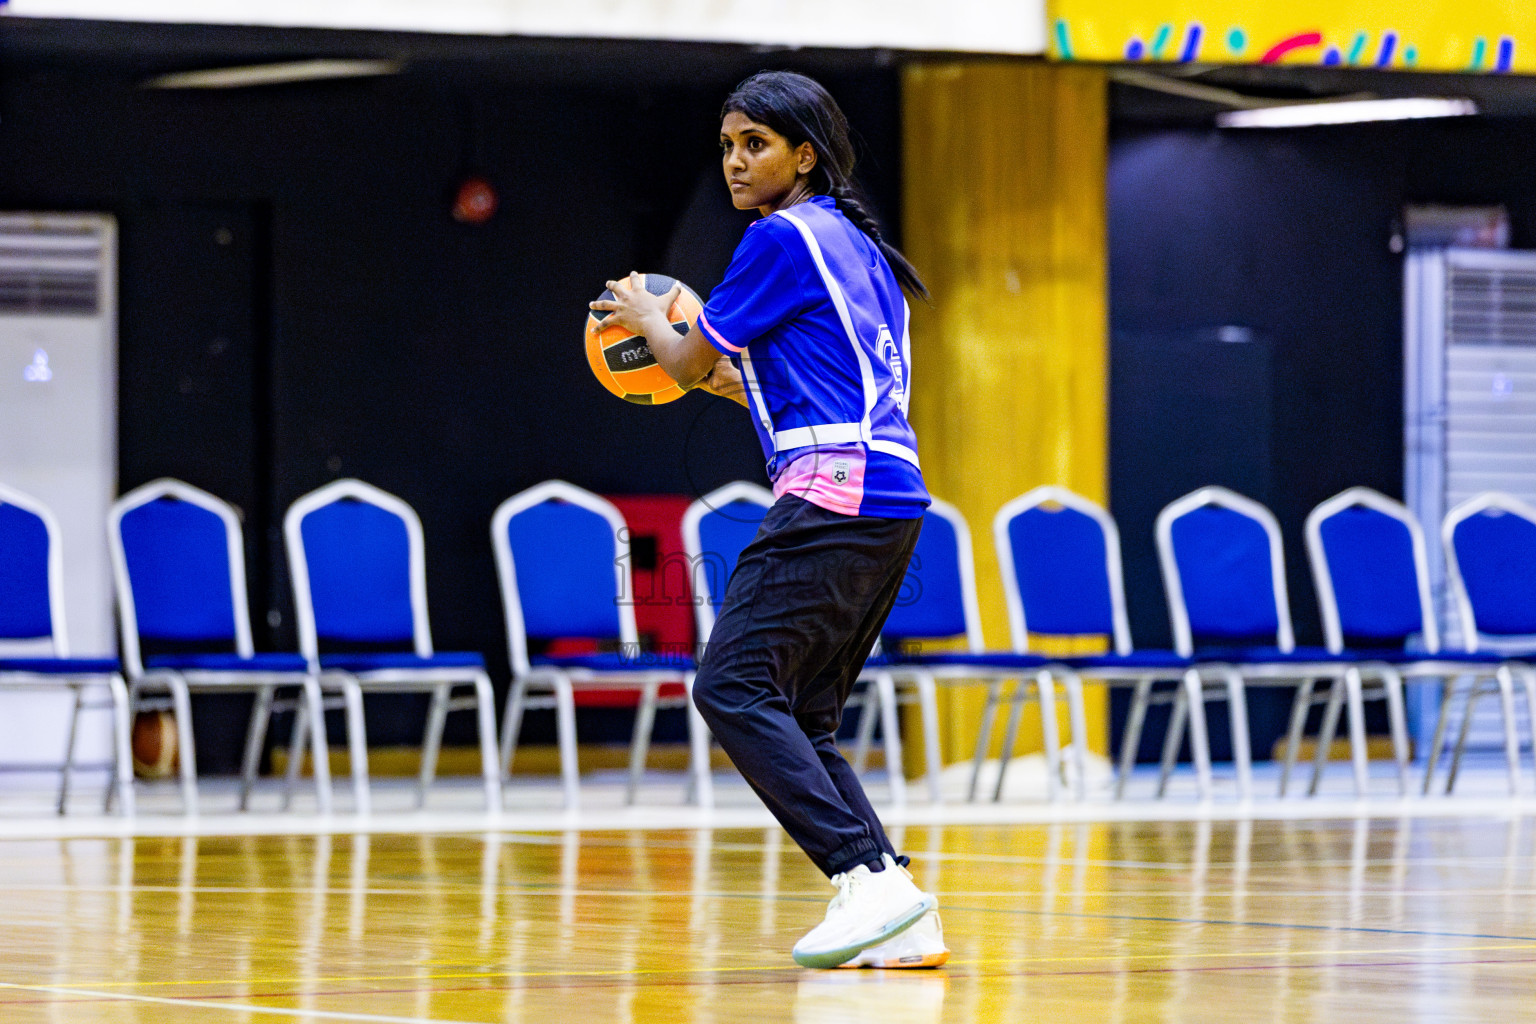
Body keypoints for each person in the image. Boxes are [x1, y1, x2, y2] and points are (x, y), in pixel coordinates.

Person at [590, 70, 945, 970]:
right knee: (804, 714)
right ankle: (896, 902)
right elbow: (744, 376)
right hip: (892, 497)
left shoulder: (780, 237)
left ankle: (870, 881)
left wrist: (646, 319)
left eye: (755, 144)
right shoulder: (859, 250)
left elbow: (682, 360)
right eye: (727, 146)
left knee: (730, 685)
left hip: (832, 495)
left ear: (805, 155)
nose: (737, 162)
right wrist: (691, 353)